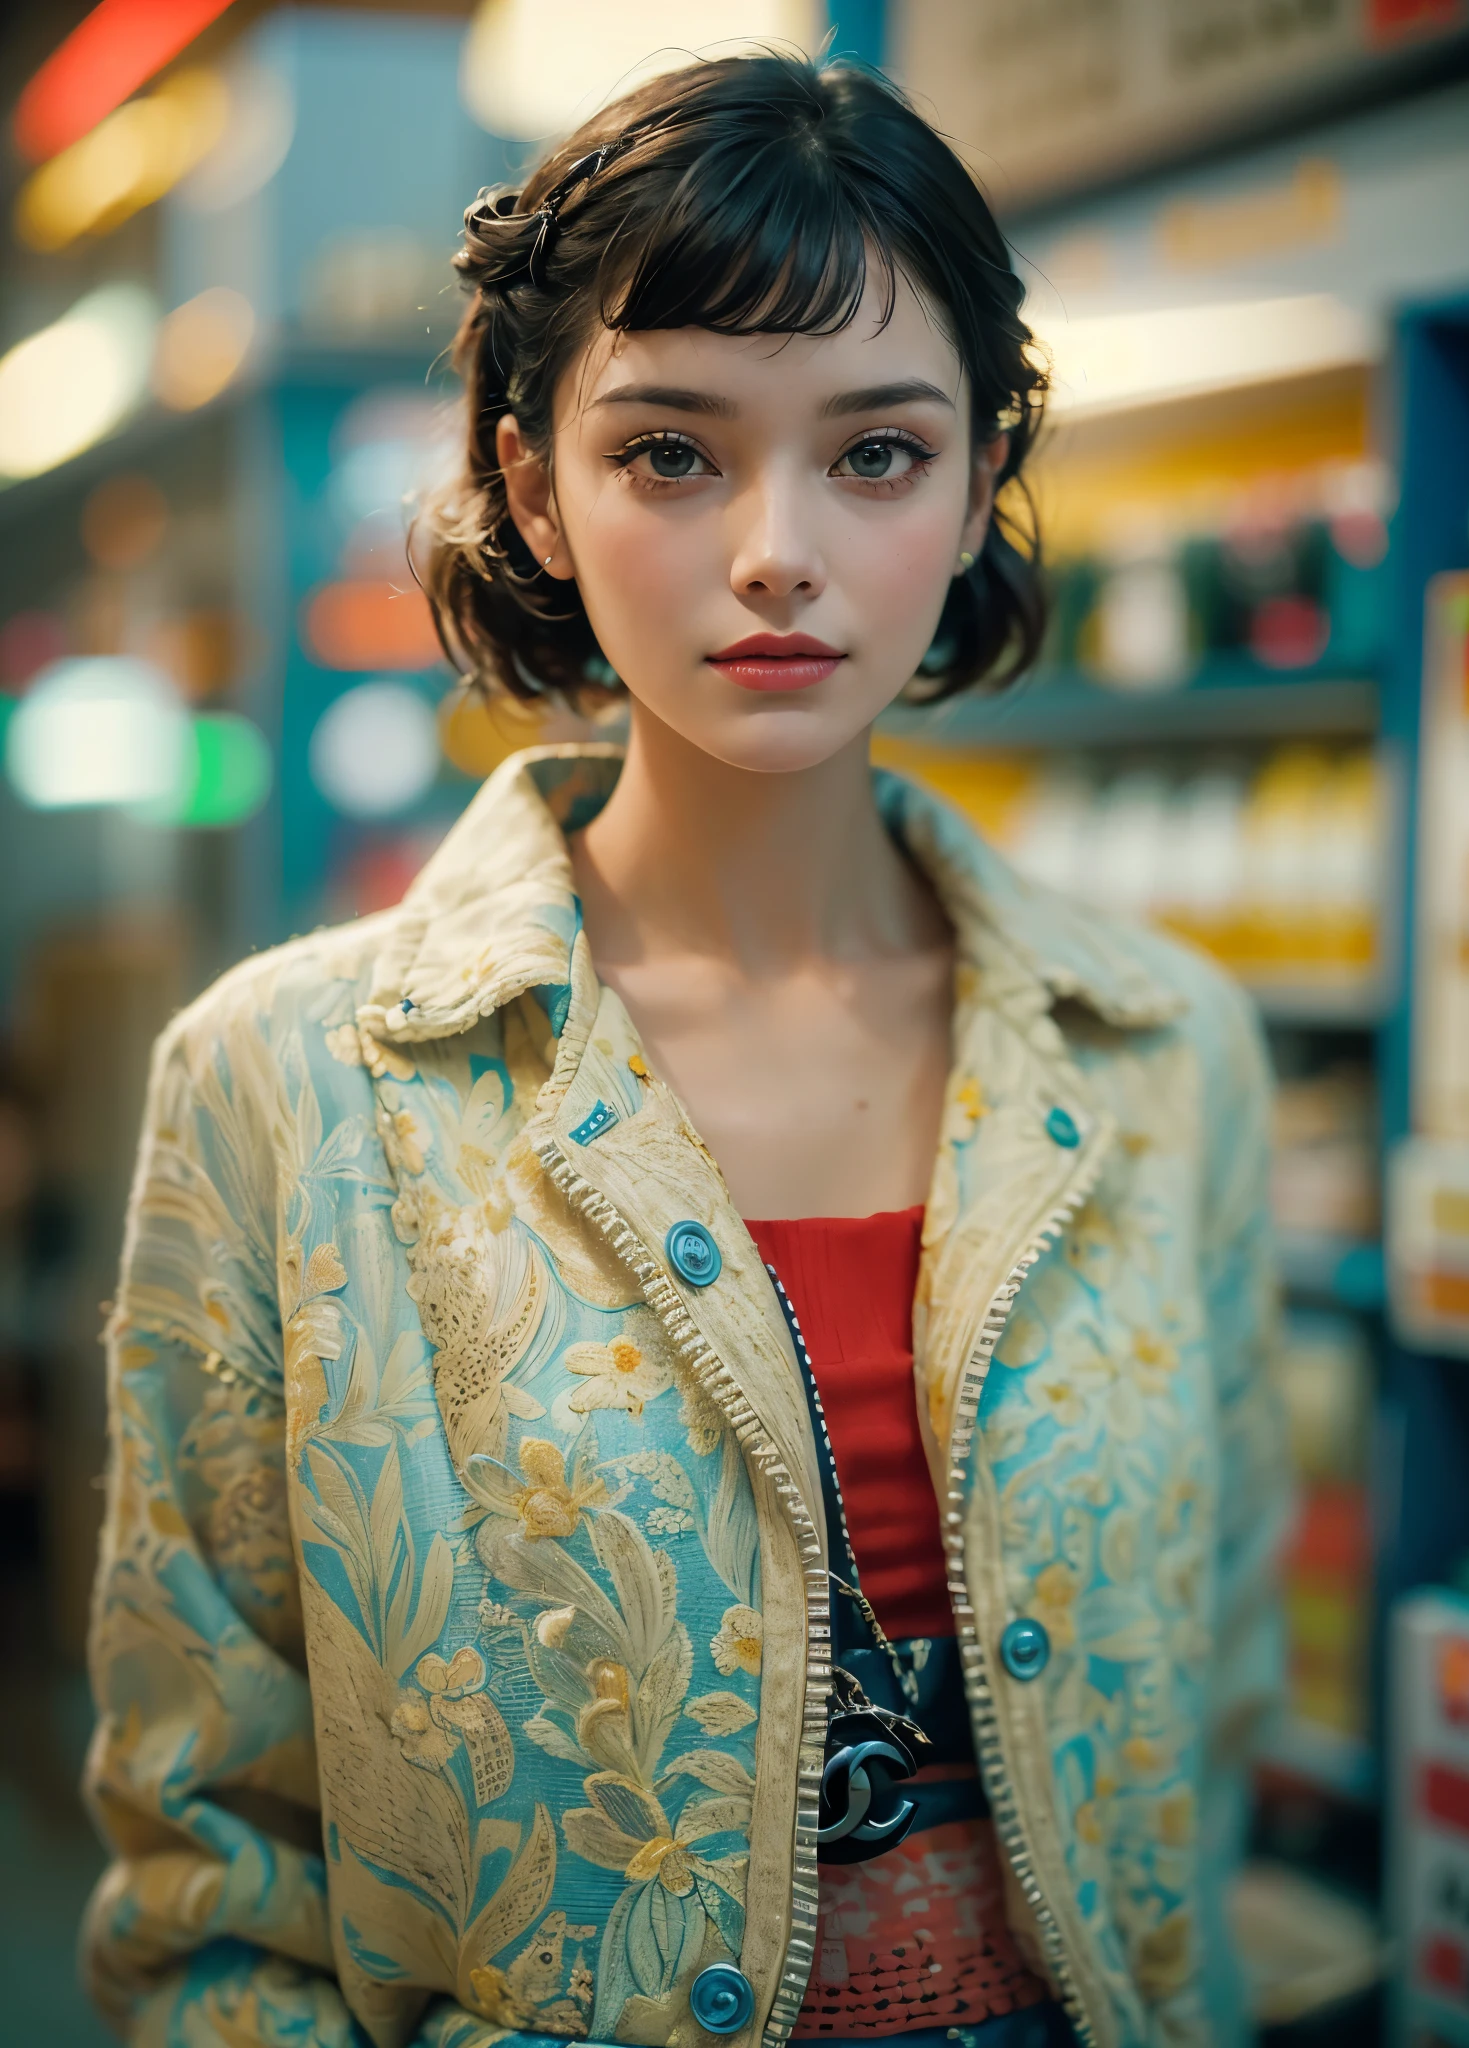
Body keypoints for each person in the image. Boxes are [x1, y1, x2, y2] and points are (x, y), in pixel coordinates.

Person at [83, 51, 1286, 2048]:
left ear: (985, 475)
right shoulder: (289, 1086)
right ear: (530, 477)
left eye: (877, 454)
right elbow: (209, 1861)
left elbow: (1213, 1726)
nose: (777, 553)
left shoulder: (1167, 1058)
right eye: (672, 453)